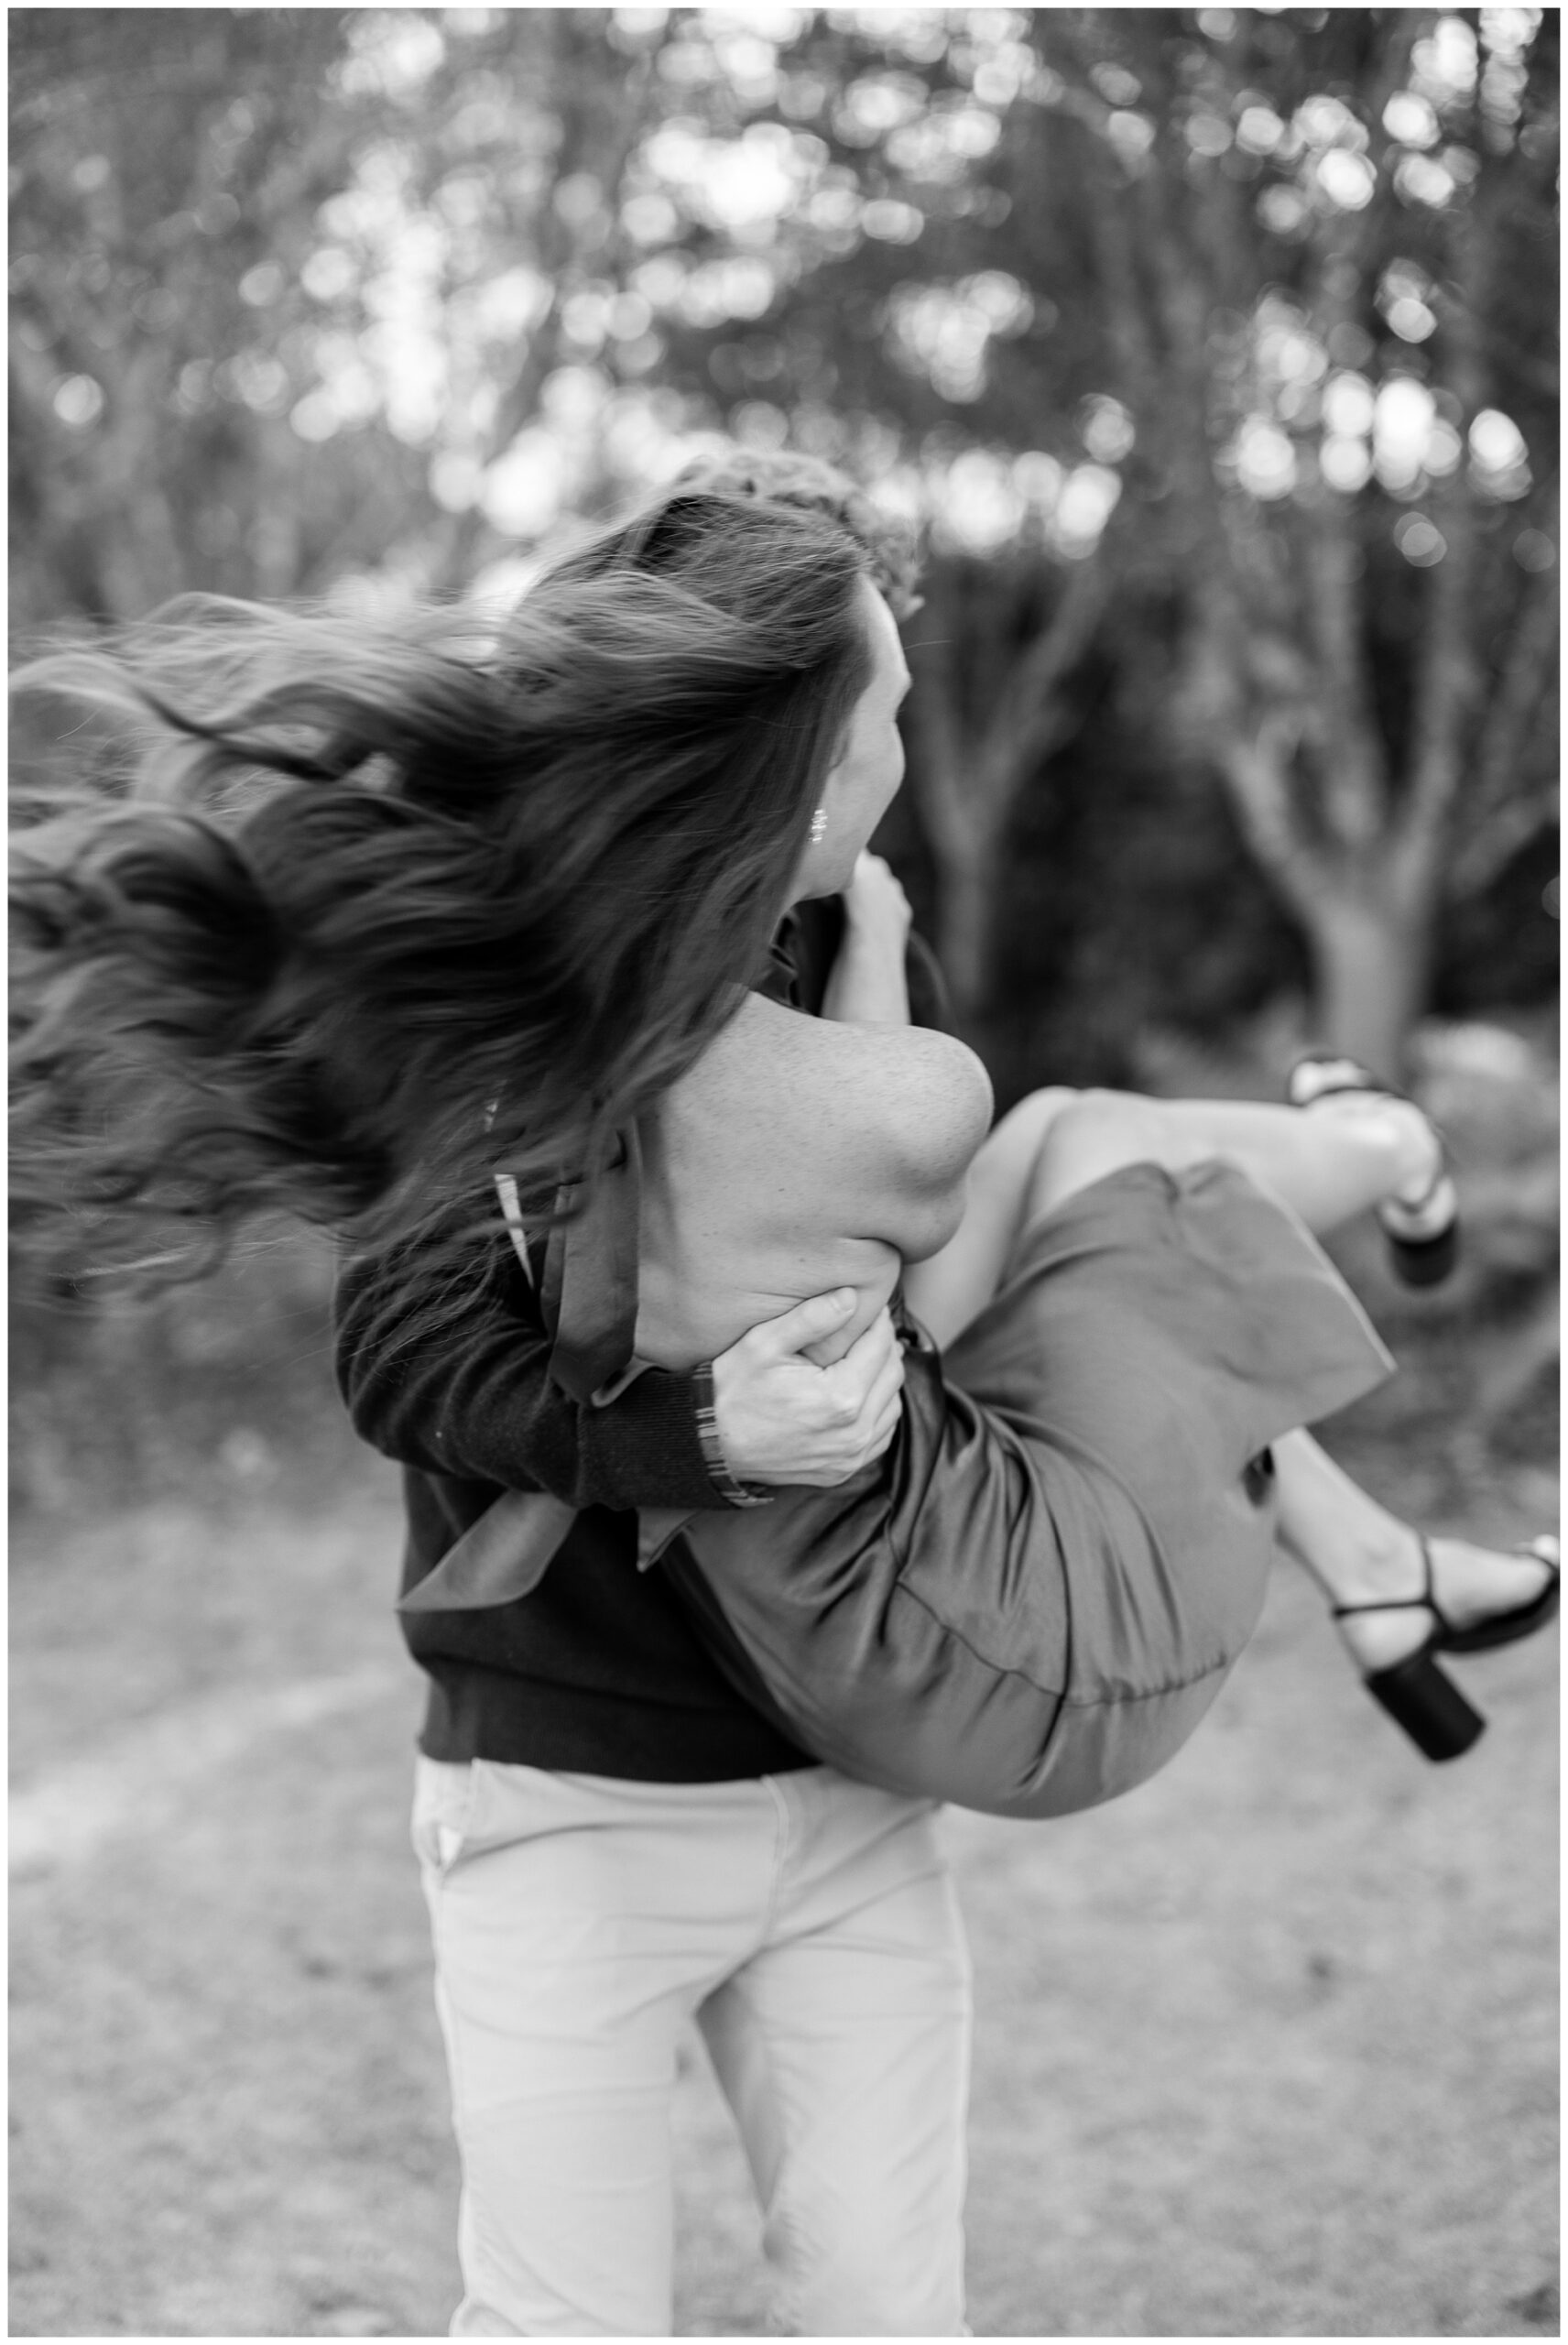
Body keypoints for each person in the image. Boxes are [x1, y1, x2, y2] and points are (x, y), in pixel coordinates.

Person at [10, 468, 1555, 2338]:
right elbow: (407, 1362)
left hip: (845, 1790)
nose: (903, 745)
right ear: (808, 770)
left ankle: (1367, 1488)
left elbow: (934, 1272)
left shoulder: (838, 955)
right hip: (570, 1802)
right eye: (889, 712)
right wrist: (696, 1439)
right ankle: (1377, 1331)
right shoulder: (534, 1006)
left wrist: (891, 969)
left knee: (890, 2315)